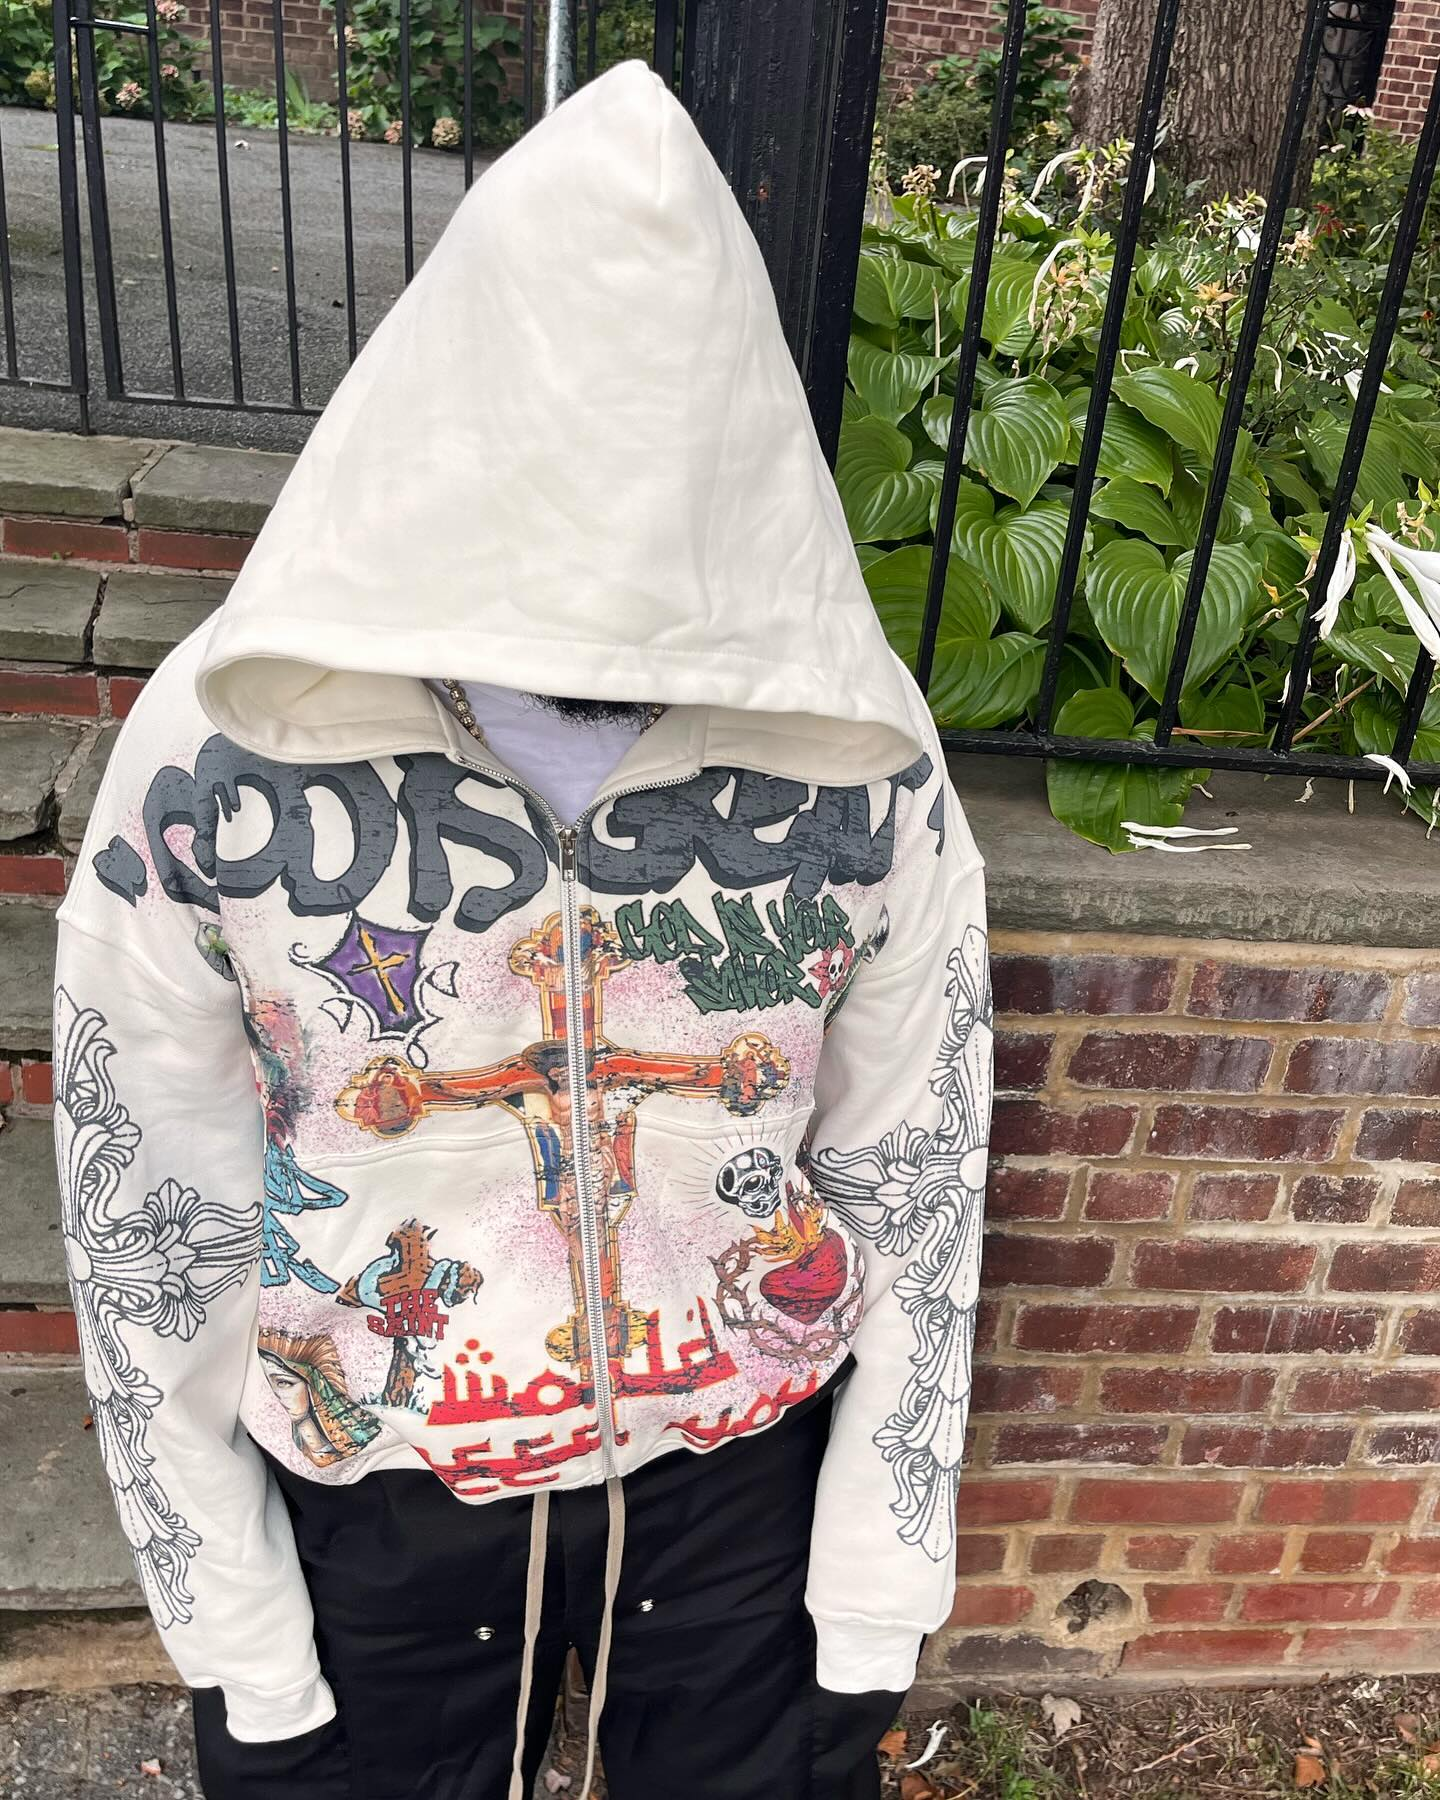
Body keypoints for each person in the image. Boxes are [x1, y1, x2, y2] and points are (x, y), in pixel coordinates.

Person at [51, 60, 992, 1800]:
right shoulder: (223, 748)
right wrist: (236, 1636)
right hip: (375, 1477)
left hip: (739, 1481)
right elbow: (152, 1218)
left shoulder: (860, 752)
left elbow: (913, 1180)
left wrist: (873, 1596)